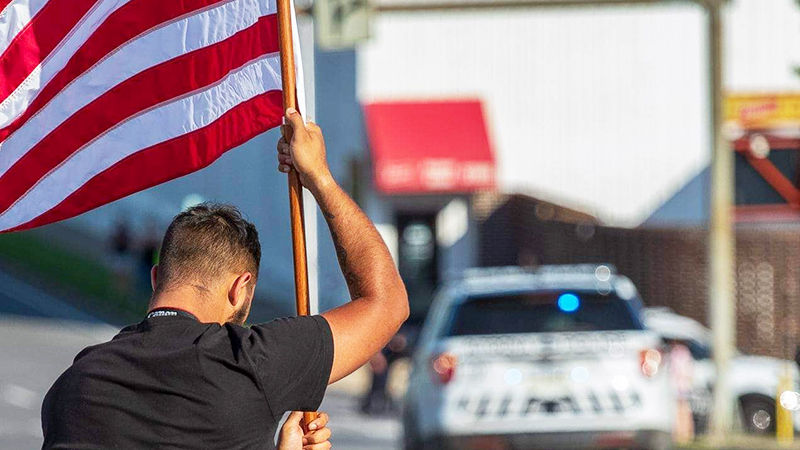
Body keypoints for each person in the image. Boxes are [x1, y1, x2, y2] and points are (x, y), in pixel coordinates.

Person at [41, 108, 410, 449]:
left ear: (156, 279)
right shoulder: (250, 362)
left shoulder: (74, 387)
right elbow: (388, 303)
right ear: (240, 289)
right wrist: (320, 178)